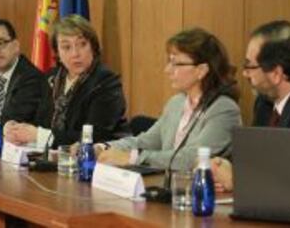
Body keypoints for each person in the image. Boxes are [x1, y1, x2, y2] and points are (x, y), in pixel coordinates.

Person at [96, 28, 242, 172]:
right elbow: (146, 141)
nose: (167, 70)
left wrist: (132, 158)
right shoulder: (176, 103)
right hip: (168, 186)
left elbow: (192, 158)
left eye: (176, 63)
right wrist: (102, 147)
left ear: (201, 70)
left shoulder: (224, 109)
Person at [213, 20, 290, 192]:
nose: (244, 74)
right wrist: (221, 166)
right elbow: (256, 157)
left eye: (249, 66)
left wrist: (240, 179)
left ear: (276, 74)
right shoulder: (265, 103)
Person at [4, 15, 128, 149]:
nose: (75, 53)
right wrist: (14, 128)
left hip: (98, 162)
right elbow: (34, 118)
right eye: (66, 47)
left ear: (93, 46)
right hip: (52, 158)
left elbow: (95, 136)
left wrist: (41, 136)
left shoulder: (106, 82)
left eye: (82, 44)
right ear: (57, 52)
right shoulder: (51, 78)